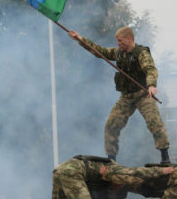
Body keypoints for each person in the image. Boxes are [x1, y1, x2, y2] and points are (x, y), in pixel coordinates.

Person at [68, 27, 171, 163]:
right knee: (111, 125)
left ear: (129, 39)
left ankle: (165, 156)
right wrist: (81, 40)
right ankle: (111, 159)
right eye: (117, 41)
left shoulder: (141, 53)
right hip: (126, 97)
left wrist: (151, 85)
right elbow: (100, 51)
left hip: (143, 95)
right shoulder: (119, 53)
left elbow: (150, 68)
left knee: (155, 123)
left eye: (120, 41)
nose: (118, 44)